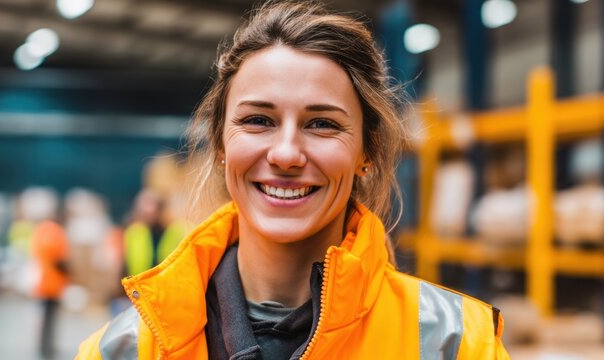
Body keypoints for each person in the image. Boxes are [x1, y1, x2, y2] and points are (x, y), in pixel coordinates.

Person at [77, 1, 510, 358]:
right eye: (258, 120)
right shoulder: (123, 349)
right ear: (222, 146)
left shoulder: (457, 342)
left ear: (367, 153)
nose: (285, 153)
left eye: (322, 124)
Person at [31, 220, 70, 359]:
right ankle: (47, 348)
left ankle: (44, 347)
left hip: (42, 283)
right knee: (50, 319)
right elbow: (60, 260)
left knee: (46, 318)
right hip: (53, 285)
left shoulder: (40, 233)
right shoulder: (57, 234)